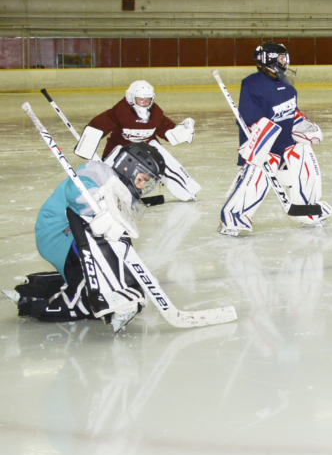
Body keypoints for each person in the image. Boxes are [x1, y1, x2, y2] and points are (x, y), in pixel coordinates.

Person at [5, 143, 165, 332]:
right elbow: (75, 193)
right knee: (91, 297)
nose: (141, 185)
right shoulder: (98, 171)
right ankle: (35, 304)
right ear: (127, 165)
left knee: (106, 253)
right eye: (141, 178)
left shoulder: (116, 183)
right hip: (58, 234)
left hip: (68, 235)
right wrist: (100, 198)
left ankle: (35, 289)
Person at [219, 42, 332, 235]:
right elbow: (249, 121)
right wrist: (260, 146)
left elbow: (291, 111)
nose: (285, 62)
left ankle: (306, 208)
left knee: (305, 156)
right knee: (259, 174)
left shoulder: (288, 86)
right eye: (281, 58)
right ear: (267, 59)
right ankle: (234, 216)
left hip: (285, 144)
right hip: (262, 146)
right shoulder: (252, 84)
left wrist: (303, 124)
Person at [75, 80, 201, 201]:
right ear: (131, 98)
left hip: (145, 152)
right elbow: (99, 125)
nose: (144, 103)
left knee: (162, 158)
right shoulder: (120, 112)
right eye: (140, 99)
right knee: (108, 169)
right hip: (122, 151)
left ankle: (187, 191)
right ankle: (101, 191)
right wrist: (86, 144)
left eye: (147, 100)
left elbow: (168, 131)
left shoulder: (155, 114)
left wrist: (184, 131)